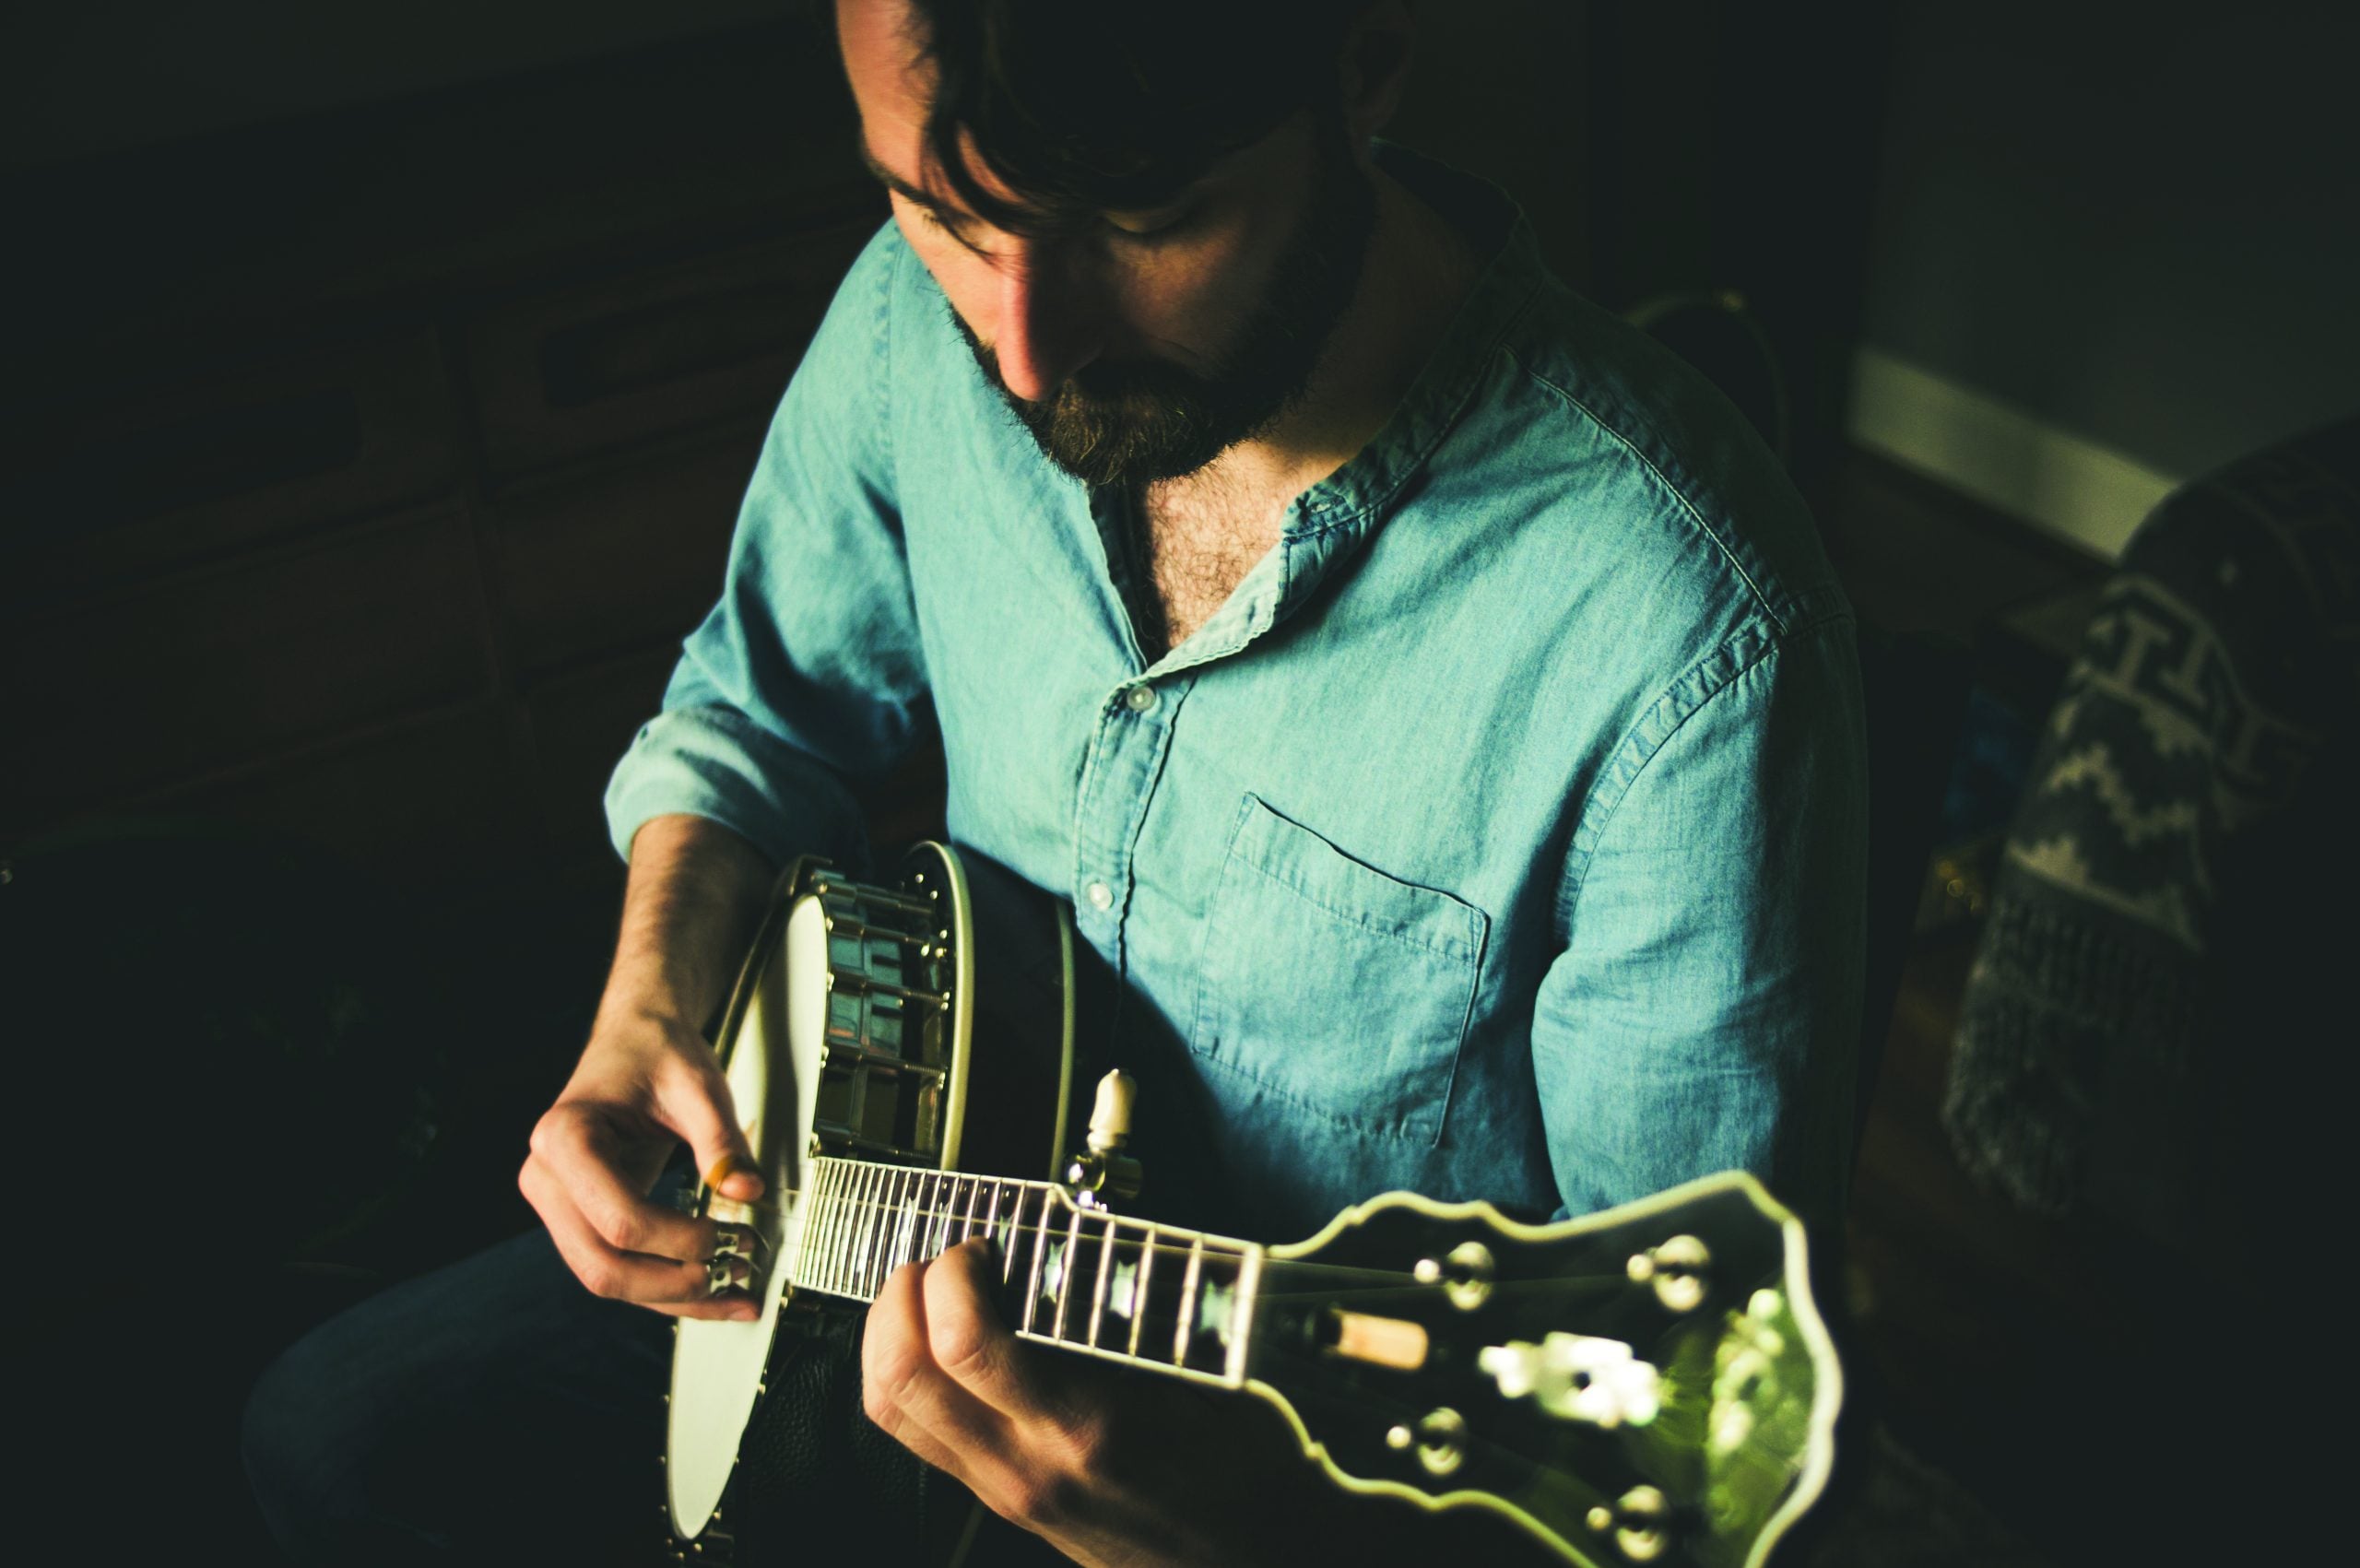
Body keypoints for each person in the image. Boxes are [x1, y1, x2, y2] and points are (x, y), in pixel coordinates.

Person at [244, 2, 1868, 1562]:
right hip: (843, 1210)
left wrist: (1258, 1543)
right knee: (328, 1438)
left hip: (1280, 1471)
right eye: (940, 213)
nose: (1022, 353)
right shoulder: (912, 315)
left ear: (1363, 65)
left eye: (1143, 219)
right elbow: (757, 709)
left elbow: (1679, 1438)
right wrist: (651, 996)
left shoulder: (1687, 641)